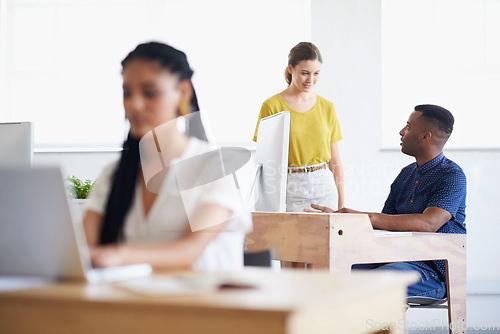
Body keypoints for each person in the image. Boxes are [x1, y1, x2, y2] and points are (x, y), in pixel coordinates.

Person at [83, 41, 251, 271]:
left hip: (205, 304)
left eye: (150, 92)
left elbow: (189, 251)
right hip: (135, 304)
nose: (135, 104)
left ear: (182, 92)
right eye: (127, 93)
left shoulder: (218, 167)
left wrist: (119, 255)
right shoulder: (113, 174)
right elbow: (83, 251)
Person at [307, 104, 466, 299]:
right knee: (328, 272)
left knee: (369, 283)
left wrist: (365, 217)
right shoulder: (406, 174)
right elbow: (383, 225)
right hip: (392, 259)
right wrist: (344, 221)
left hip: (430, 272)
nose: (401, 132)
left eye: (408, 127)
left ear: (425, 136)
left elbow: (429, 223)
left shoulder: (452, 175)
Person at [253, 42, 344, 212]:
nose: (311, 80)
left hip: (324, 186)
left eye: (316, 73)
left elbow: (335, 161)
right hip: (289, 188)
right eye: (304, 73)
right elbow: (264, 162)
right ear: (290, 69)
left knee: (326, 238)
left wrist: (342, 206)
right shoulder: (272, 106)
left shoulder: (327, 107)